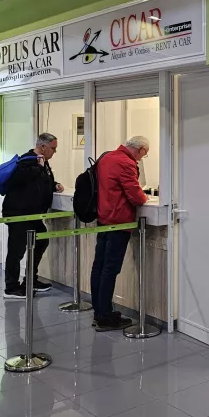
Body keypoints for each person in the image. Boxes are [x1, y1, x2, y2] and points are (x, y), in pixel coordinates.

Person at [90, 135, 149, 331]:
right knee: (110, 269)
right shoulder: (126, 163)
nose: (141, 159)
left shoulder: (107, 157)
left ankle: (99, 312)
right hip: (119, 221)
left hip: (103, 219)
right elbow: (136, 196)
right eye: (143, 154)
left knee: (99, 266)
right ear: (138, 149)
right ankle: (105, 316)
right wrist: (144, 196)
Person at [2, 133, 65, 299]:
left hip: (33, 214)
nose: (55, 152)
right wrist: (37, 167)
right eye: (53, 148)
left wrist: (54, 185)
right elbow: (18, 181)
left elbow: (41, 183)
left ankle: (30, 280)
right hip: (19, 214)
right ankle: (11, 287)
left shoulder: (42, 162)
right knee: (17, 250)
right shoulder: (27, 161)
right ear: (42, 147)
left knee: (42, 240)